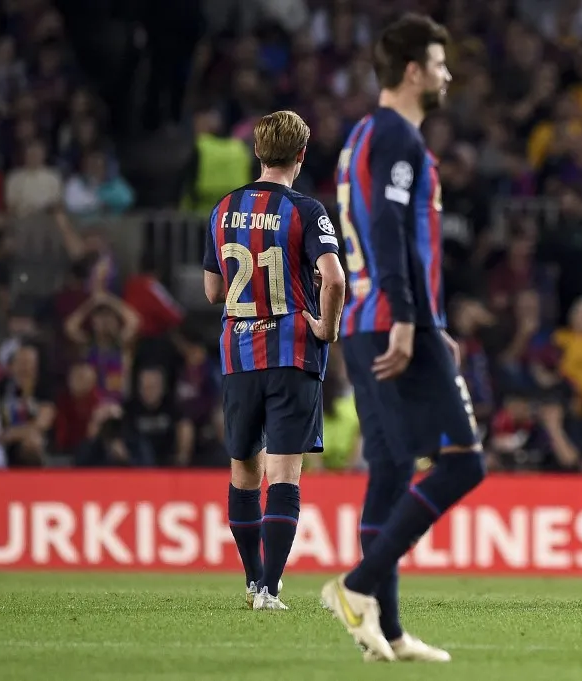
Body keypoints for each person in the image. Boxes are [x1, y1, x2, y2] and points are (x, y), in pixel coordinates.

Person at [321, 13, 485, 662]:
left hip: (366, 323)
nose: (448, 74)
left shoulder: (362, 134)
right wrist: (413, 318)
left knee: (389, 468)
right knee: (464, 460)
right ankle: (358, 585)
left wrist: (423, 318)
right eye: (440, 64)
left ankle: (383, 630)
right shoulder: (399, 138)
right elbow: (391, 230)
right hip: (392, 322)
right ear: (414, 71)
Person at [201, 110, 346, 611]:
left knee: (243, 472)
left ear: (258, 153)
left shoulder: (223, 208)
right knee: (283, 475)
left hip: (239, 354)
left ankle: (251, 580)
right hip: (292, 354)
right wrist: (326, 327)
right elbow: (334, 278)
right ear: (301, 155)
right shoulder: (307, 210)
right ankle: (271, 588)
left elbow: (212, 289)